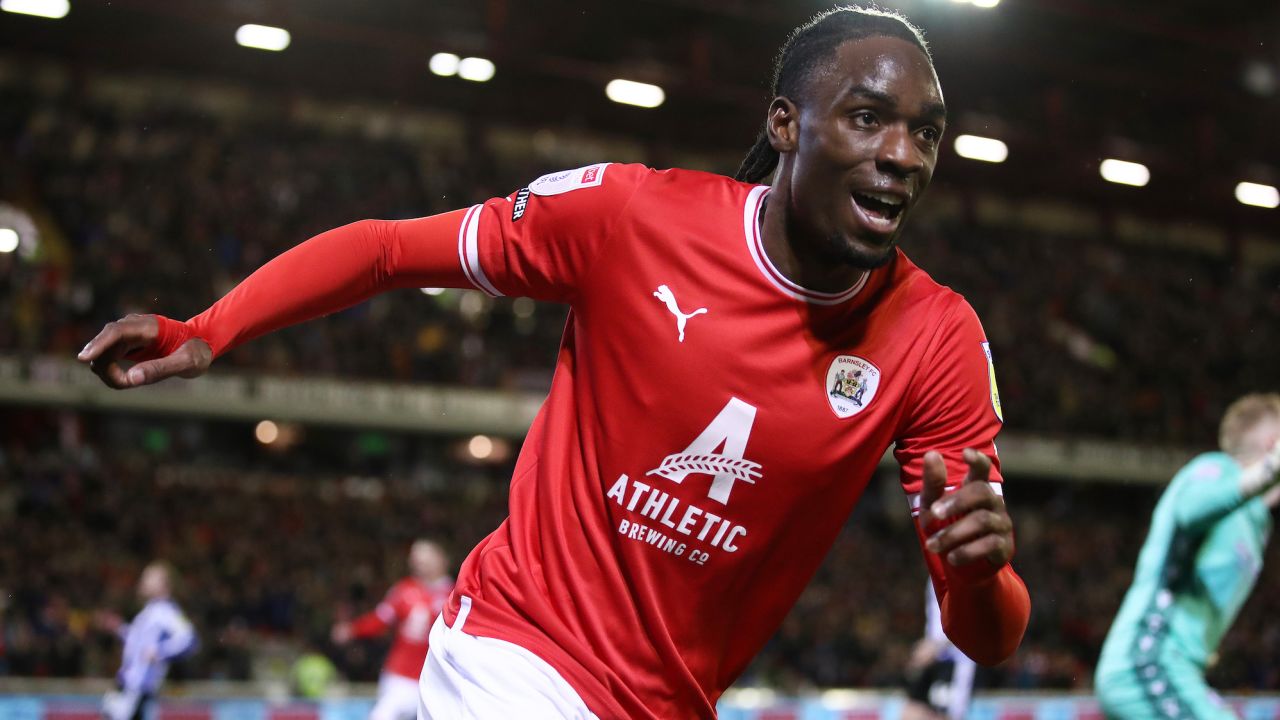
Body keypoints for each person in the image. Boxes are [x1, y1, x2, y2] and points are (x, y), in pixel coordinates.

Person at [77, 7, 1030, 718]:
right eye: (868, 119)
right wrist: (210, 329)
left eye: (926, 132)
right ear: (787, 126)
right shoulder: (632, 220)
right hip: (511, 658)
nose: (904, 154)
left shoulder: (937, 338)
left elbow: (986, 635)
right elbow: (385, 249)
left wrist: (979, 576)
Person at [1095, 394, 1280, 720]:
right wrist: (1269, 470)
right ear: (1272, 443)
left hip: (1177, 671)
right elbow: (1189, 510)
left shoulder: (1255, 518)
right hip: (1147, 661)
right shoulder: (1213, 468)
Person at [331, 540, 454, 720]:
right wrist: (352, 629)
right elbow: (380, 619)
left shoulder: (455, 593)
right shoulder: (404, 590)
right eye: (416, 560)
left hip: (439, 675)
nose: (420, 565)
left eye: (425, 559)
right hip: (402, 675)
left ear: (442, 560)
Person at [96, 562, 198, 720]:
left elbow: (190, 640)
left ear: (165, 584)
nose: (144, 580)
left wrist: (160, 652)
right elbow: (138, 643)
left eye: (150, 576)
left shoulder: (168, 612)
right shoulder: (148, 612)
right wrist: (119, 628)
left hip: (139, 689)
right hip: (125, 685)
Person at [903, 581, 978, 720]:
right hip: (932, 659)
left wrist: (936, 645)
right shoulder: (933, 576)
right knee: (910, 712)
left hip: (956, 659)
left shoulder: (965, 572)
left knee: (946, 716)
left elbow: (973, 622)